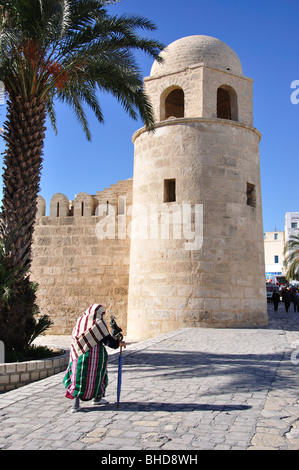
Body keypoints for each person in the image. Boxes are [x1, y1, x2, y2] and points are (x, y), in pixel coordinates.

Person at [63, 304, 126, 412]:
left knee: (78, 378)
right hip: (94, 356)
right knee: (99, 376)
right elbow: (107, 340)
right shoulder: (99, 324)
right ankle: (97, 398)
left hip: (78, 354)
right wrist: (118, 343)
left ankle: (77, 403)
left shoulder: (81, 320)